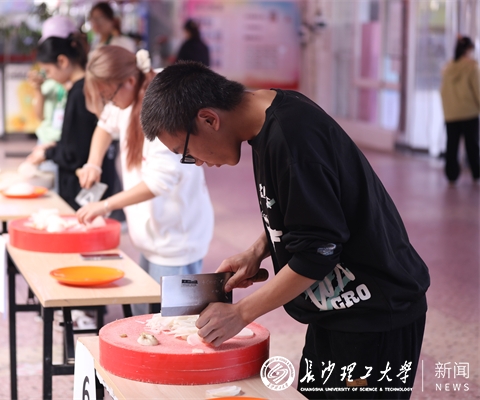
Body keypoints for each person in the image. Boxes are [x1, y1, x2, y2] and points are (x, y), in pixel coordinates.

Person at [140, 62, 430, 398]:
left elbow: (317, 253)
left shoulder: (292, 139)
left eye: (186, 152)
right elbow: (307, 210)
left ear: (208, 119)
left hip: (375, 314)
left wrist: (240, 313)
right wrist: (257, 251)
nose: (196, 162)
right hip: (335, 310)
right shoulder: (267, 119)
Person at [76, 47, 214, 315]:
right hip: (154, 236)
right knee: (146, 316)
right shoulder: (129, 94)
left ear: (129, 80)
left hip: (175, 240)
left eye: (109, 96)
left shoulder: (164, 106)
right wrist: (93, 163)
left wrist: (105, 205)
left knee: (168, 324)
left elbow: (158, 183)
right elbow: (104, 126)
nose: (109, 103)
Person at [24, 33, 118, 210]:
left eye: (48, 71)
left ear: (62, 61)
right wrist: (54, 146)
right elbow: (80, 138)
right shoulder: (81, 88)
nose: (49, 77)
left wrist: (48, 153)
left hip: (82, 186)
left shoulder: (79, 93)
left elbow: (75, 153)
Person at [25, 16, 76, 193]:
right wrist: (38, 89)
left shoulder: (78, 83)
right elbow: (40, 116)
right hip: (46, 144)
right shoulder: (49, 75)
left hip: (66, 146)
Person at [440, 36, 480, 184]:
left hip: (451, 113)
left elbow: (443, 91)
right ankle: (477, 174)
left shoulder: (448, 68)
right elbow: (478, 90)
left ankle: (451, 176)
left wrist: (447, 110)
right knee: (472, 145)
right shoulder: (472, 67)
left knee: (452, 146)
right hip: (469, 112)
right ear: (468, 49)